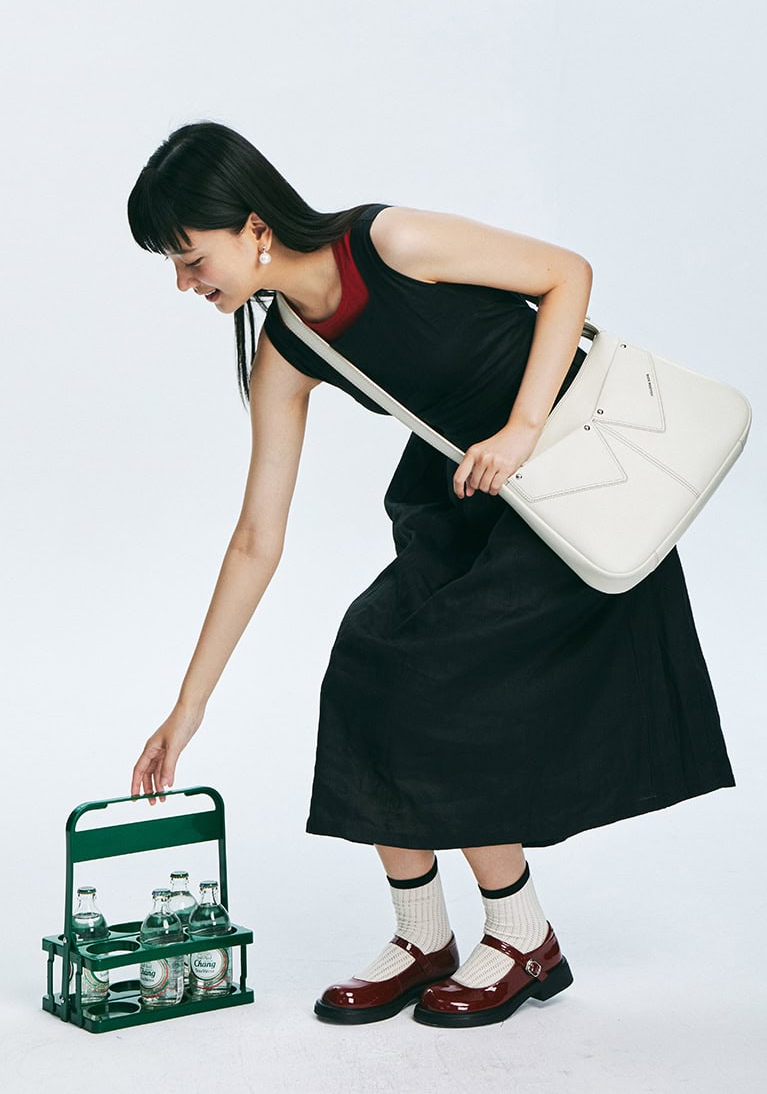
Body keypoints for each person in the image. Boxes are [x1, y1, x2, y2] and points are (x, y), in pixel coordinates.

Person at [127, 121, 734, 1028]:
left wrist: (523, 427)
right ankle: (424, 936)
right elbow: (258, 534)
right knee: (366, 663)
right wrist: (189, 705)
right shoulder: (289, 352)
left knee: (438, 685)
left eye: (189, 257)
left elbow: (566, 273)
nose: (185, 283)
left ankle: (522, 936)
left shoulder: (390, 241)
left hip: (561, 474)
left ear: (252, 227)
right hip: (461, 491)